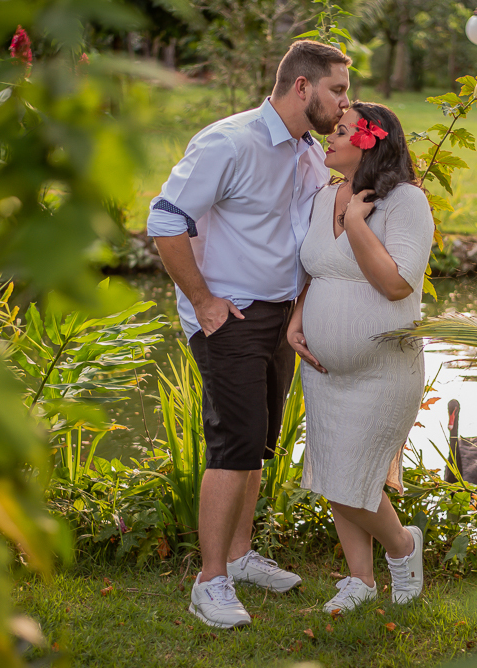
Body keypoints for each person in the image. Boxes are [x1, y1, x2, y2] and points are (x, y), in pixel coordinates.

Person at [146, 40, 352, 629]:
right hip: (229, 315)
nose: (345, 103)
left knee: (258, 441)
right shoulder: (229, 142)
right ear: (302, 87)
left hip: (280, 317)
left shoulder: (309, 154)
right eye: (337, 90)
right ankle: (209, 582)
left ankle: (238, 557)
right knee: (233, 443)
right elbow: (165, 220)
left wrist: (298, 311)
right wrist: (203, 301)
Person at [287, 102, 434, 613]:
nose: (328, 136)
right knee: (333, 473)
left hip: (383, 370)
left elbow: (397, 284)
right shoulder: (323, 196)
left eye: (342, 130)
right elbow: (318, 269)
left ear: (371, 141)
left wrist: (355, 223)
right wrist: (297, 318)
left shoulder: (405, 201)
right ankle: (360, 580)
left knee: (353, 476)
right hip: (324, 371)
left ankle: (403, 546)